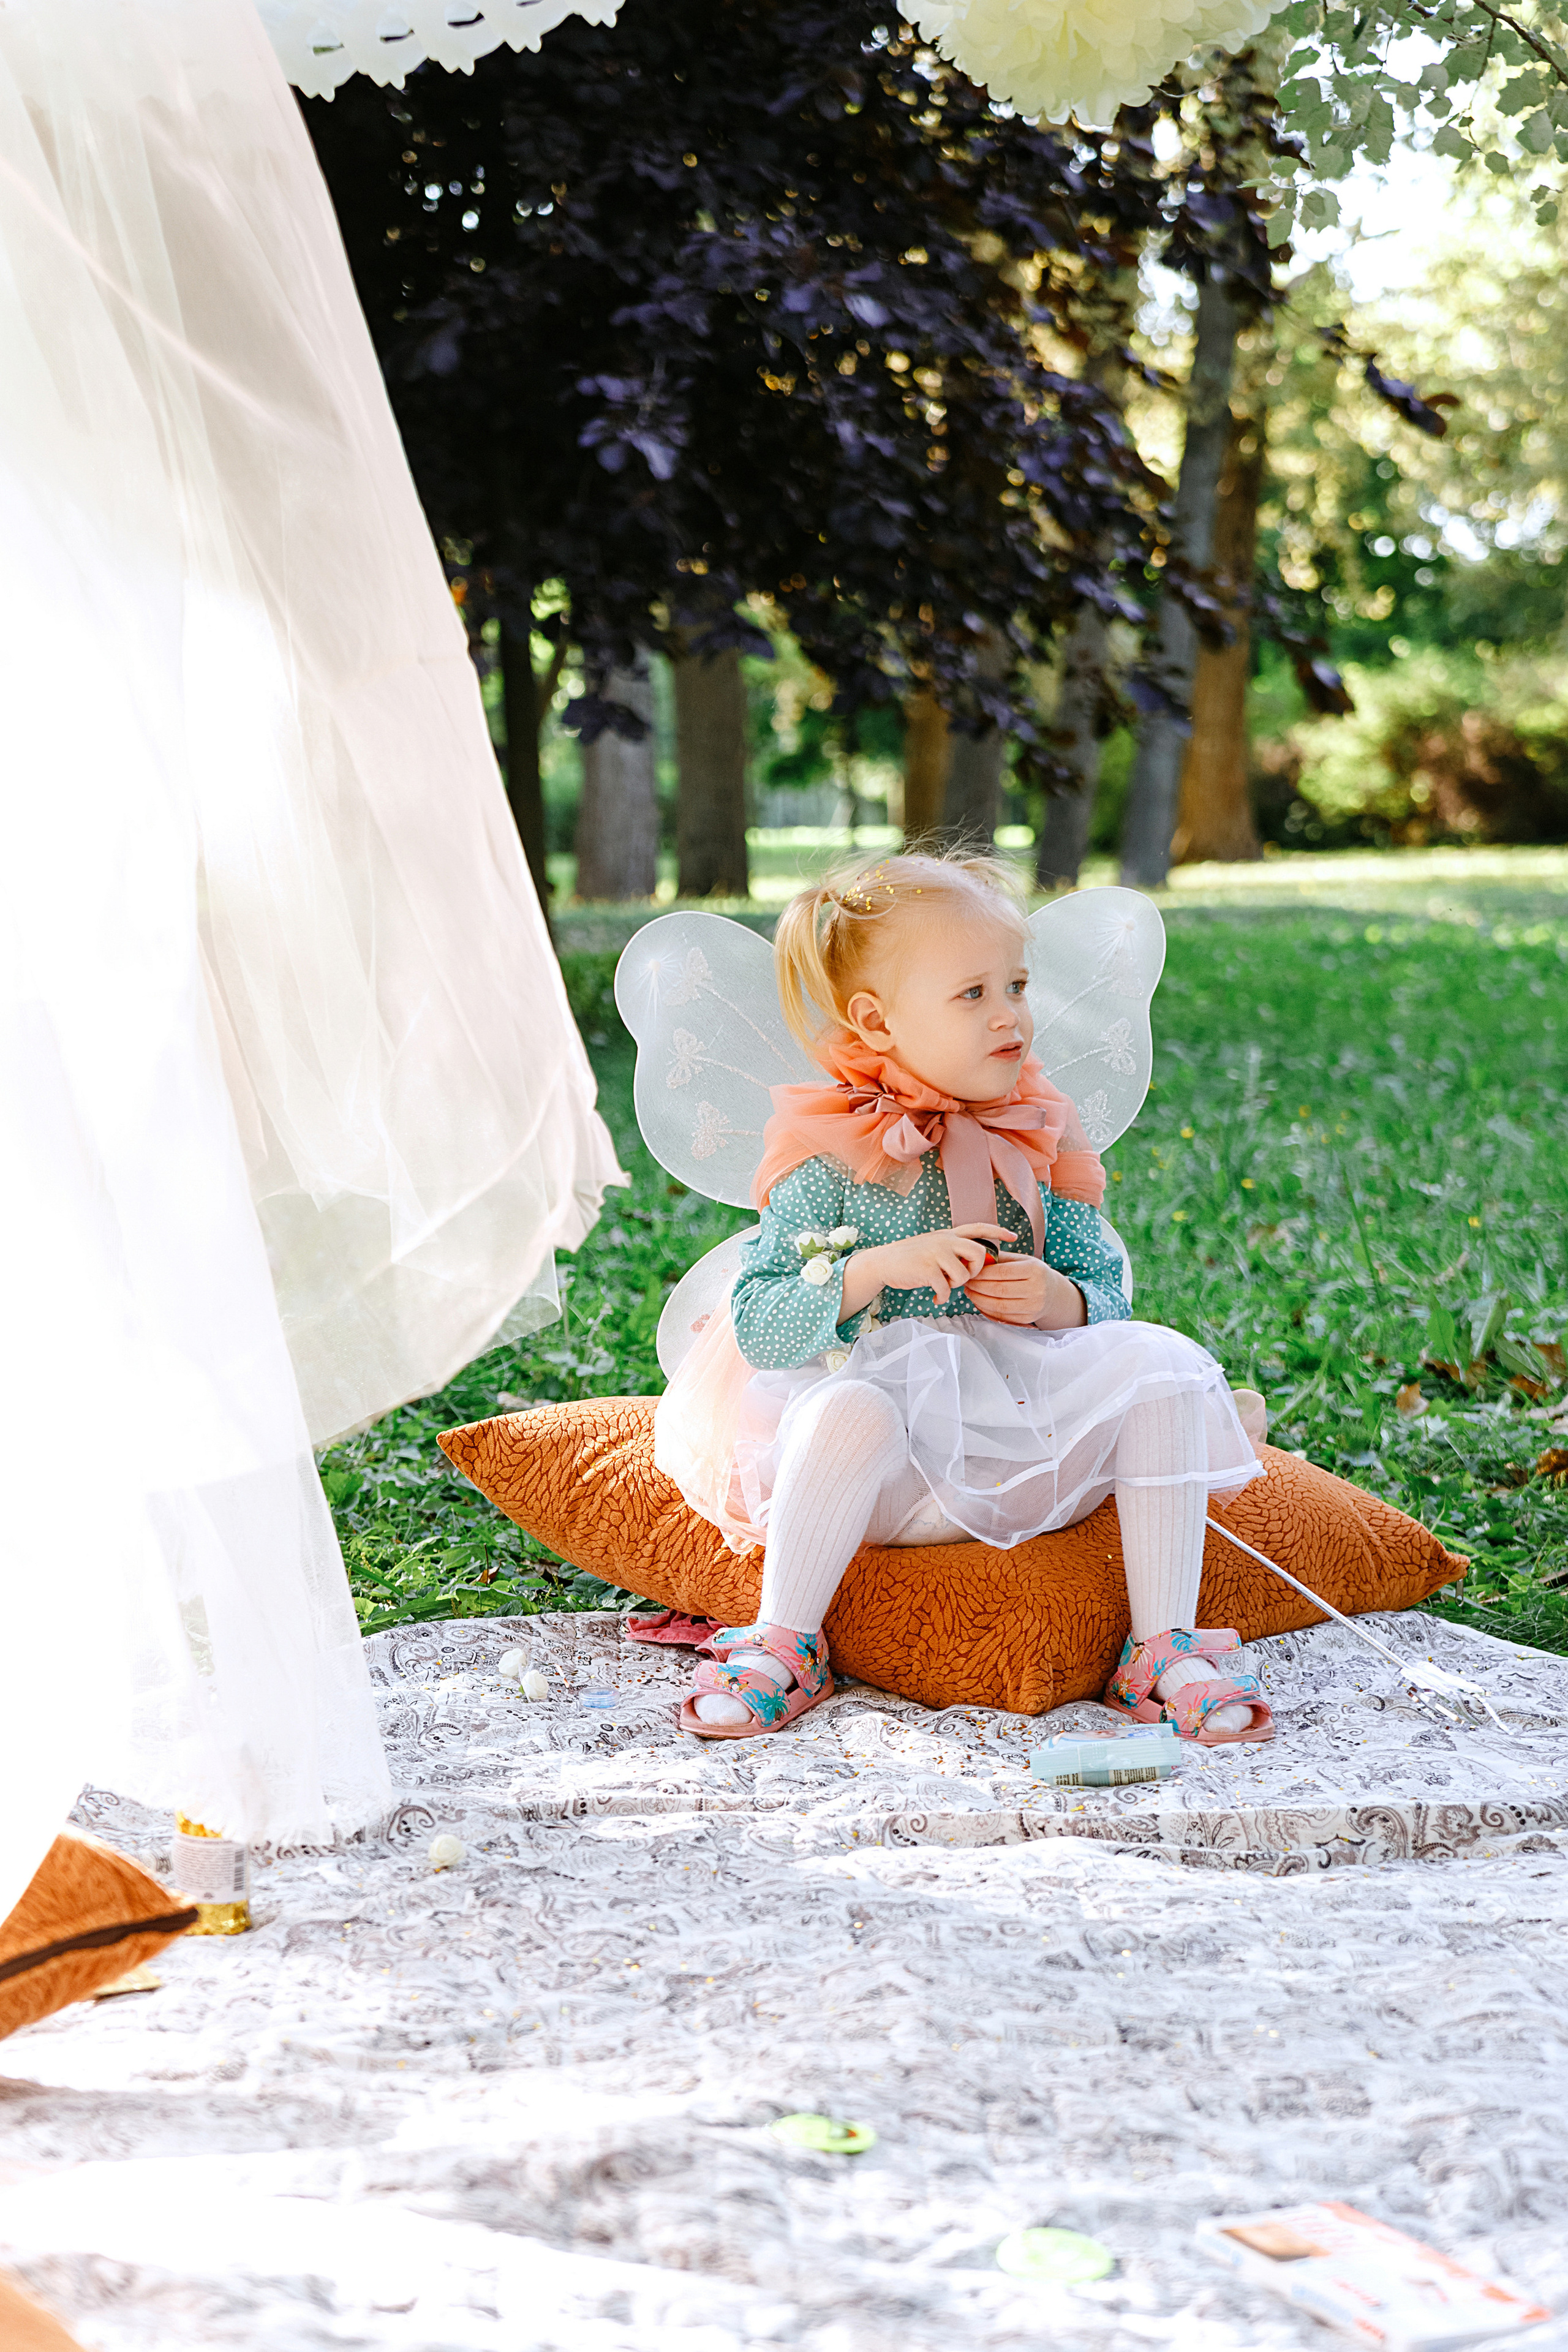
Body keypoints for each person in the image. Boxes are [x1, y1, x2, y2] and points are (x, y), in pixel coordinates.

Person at [653, 852, 1271, 1745]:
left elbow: (1104, 1283)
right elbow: (761, 1323)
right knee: (848, 1409)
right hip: (891, 1467)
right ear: (879, 1021)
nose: (1011, 1014)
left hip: (1022, 1435)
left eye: (1016, 985)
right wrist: (875, 1268)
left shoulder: (1036, 1127)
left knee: (1165, 1364)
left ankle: (1163, 1652)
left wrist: (1060, 1300)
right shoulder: (832, 1150)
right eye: (972, 994)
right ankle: (784, 1641)